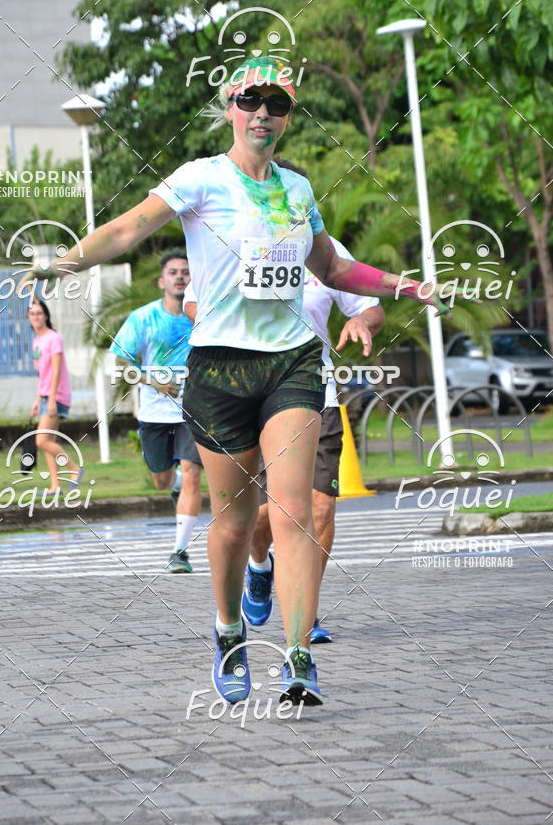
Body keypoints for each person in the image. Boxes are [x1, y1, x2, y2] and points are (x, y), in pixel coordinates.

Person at [24, 56, 450, 707]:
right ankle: (227, 630)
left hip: (291, 362)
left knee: (295, 513)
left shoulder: (298, 191)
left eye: (276, 103)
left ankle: (299, 657)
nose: (263, 113)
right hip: (219, 367)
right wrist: (64, 261)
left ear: (287, 115)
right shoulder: (201, 180)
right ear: (230, 107)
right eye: (251, 100)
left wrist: (406, 286)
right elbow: (131, 226)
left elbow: (333, 267)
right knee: (231, 523)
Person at [182, 160, 385, 645]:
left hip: (313, 392)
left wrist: (361, 324)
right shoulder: (232, 245)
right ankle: (258, 563)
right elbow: (195, 301)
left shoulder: (323, 252)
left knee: (316, 509)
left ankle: (303, 616)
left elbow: (368, 304)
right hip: (244, 391)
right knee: (254, 516)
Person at [110, 250, 203, 574]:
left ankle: (180, 552)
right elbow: (121, 366)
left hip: (194, 410)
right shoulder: (142, 318)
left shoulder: (205, 315)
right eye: (174, 272)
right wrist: (153, 381)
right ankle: (171, 478)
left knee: (193, 474)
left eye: (186, 272)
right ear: (161, 281)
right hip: (154, 414)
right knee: (161, 481)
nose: (180, 277)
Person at [29, 297, 83, 496]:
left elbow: (57, 371)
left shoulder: (53, 338)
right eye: (32, 314)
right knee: (49, 441)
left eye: (39, 313)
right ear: (29, 317)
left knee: (41, 441)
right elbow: (42, 373)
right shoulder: (37, 340)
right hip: (44, 395)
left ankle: (74, 469)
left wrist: (51, 399)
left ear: (46, 316)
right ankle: (55, 486)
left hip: (56, 395)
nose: (36, 317)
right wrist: (37, 399)